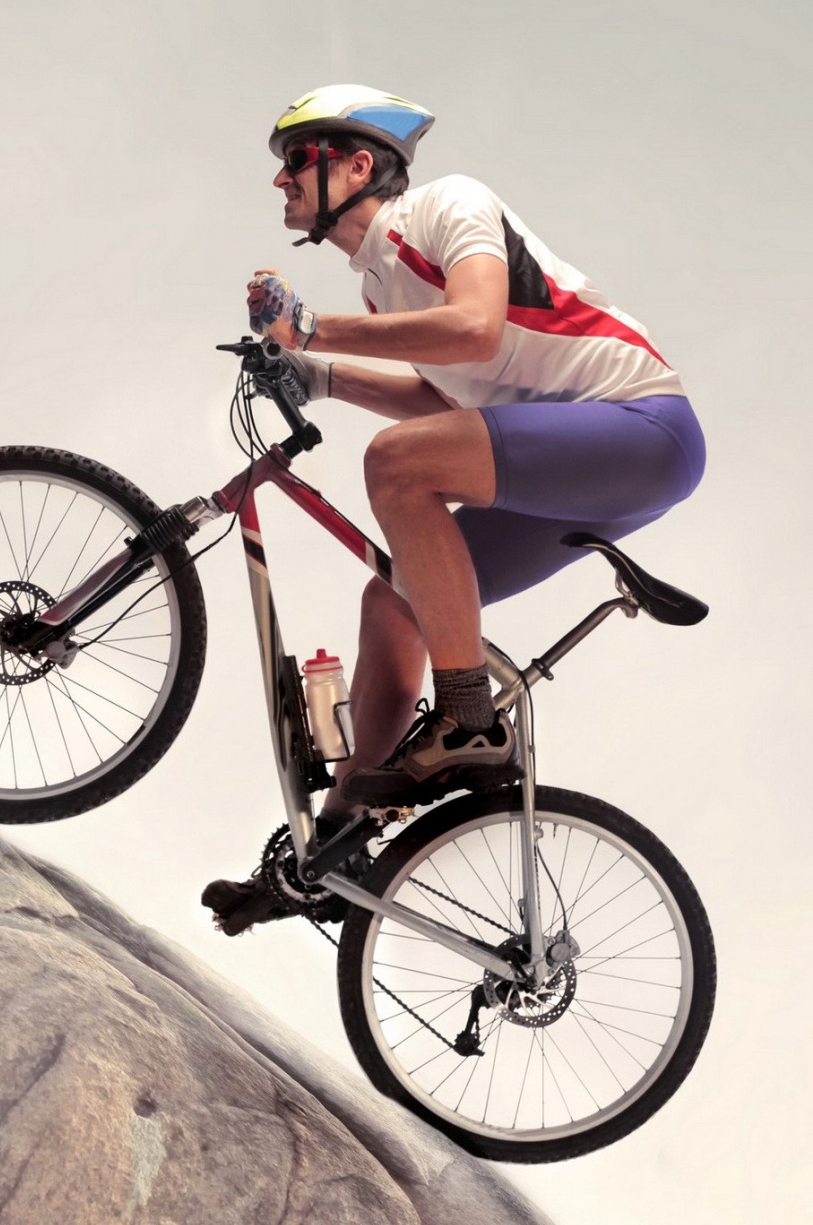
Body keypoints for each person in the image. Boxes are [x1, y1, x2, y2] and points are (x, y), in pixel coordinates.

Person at [203, 84, 705, 936]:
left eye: (295, 161)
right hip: (571, 468)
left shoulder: (447, 204)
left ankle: (470, 719)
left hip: (640, 429)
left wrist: (312, 331)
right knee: (393, 604)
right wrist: (317, 375)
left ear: (358, 165)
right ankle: (334, 845)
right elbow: (444, 407)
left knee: (396, 468)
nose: (279, 183)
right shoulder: (382, 292)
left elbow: (474, 327)